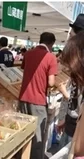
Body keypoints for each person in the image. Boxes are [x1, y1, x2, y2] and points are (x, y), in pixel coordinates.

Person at [19, 32, 58, 159]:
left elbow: (25, 69)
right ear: (51, 44)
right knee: (37, 136)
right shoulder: (51, 57)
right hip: (38, 101)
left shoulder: (28, 53)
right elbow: (51, 82)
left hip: (23, 98)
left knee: (22, 132)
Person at [57, 13, 84, 151]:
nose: (69, 37)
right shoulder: (76, 68)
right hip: (70, 123)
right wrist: (62, 117)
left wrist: (65, 94)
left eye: (71, 34)